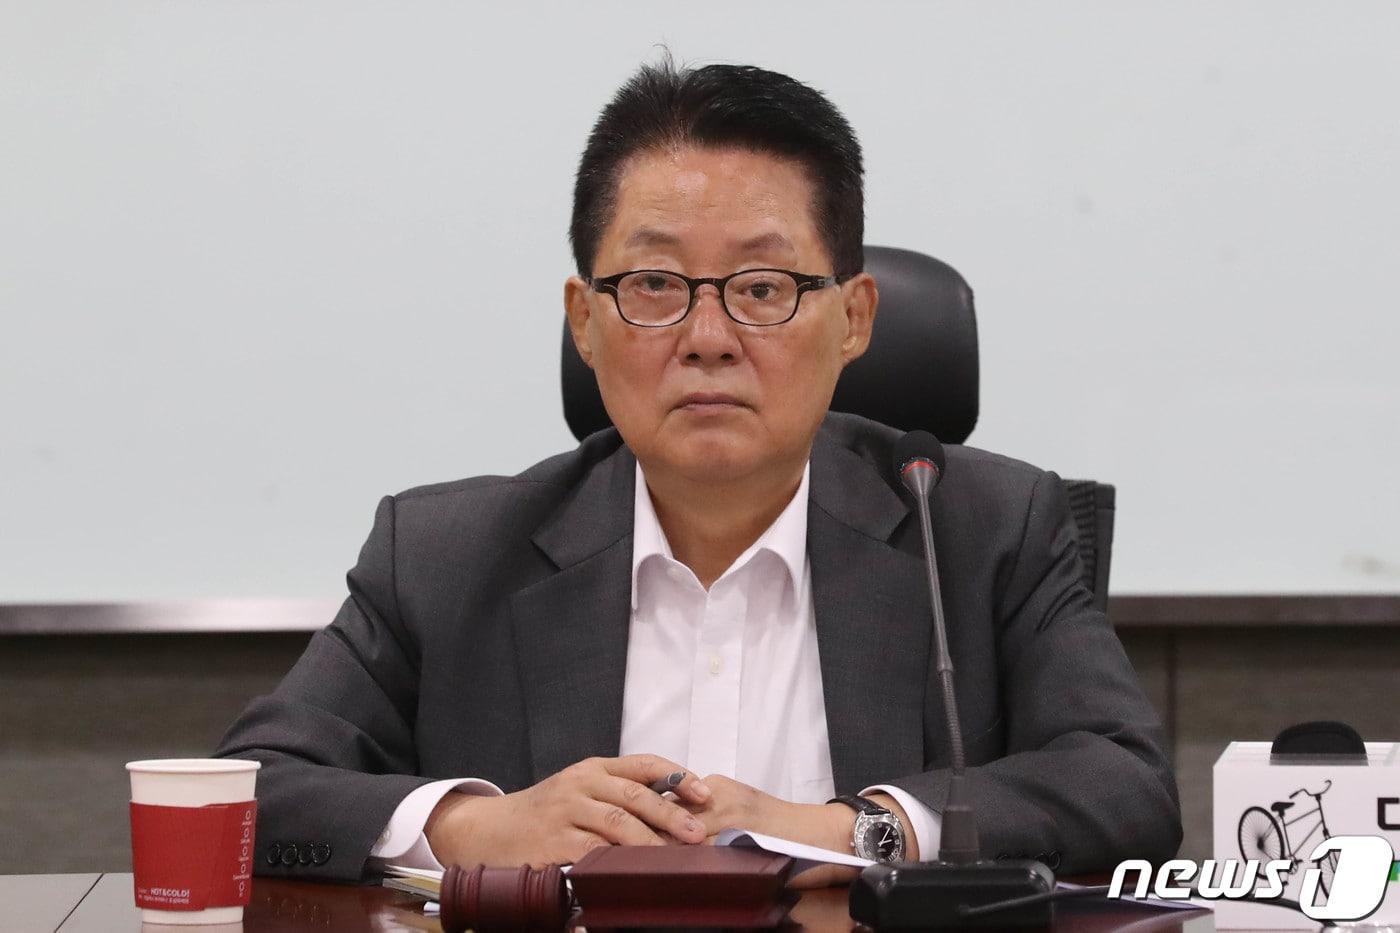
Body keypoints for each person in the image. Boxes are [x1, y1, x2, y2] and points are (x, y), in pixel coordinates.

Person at [215, 57, 1181, 885]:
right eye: (654, 285)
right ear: (584, 321)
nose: (708, 336)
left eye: (762, 287)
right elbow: (250, 792)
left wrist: (860, 830)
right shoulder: (444, 555)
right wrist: (474, 827)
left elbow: (1127, 787)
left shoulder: (979, 528)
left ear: (853, 319)